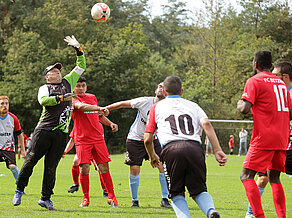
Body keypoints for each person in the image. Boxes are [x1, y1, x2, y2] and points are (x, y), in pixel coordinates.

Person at [12, 35, 85, 211]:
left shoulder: (68, 81)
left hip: (61, 134)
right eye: (53, 71)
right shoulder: (44, 88)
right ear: (47, 77)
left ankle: (45, 198)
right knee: (30, 161)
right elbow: (44, 101)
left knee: (51, 167)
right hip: (44, 130)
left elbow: (81, 66)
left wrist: (78, 49)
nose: (57, 72)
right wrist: (62, 97)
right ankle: (19, 190)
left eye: (58, 70)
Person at [144, 76, 227, 218]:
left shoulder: (156, 107)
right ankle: (211, 211)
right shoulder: (193, 105)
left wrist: (152, 156)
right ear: (182, 91)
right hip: (195, 148)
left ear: (164, 92)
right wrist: (218, 150)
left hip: (172, 150)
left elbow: (147, 139)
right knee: (199, 190)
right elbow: (206, 124)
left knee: (176, 193)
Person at [237, 51, 291, 218]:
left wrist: (240, 104)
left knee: (246, 175)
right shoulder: (282, 84)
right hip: (282, 137)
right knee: (274, 177)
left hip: (264, 137)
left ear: (255, 64)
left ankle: (258, 216)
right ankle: (282, 216)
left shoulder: (254, 80)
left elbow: (245, 109)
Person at [105, 82, 172, 208]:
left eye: (164, 87)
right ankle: (134, 201)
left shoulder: (169, 107)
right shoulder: (145, 101)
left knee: (162, 166)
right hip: (135, 139)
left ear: (168, 92)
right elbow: (122, 104)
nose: (161, 88)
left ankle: (165, 199)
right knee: (135, 168)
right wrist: (106, 108)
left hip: (153, 139)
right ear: (155, 90)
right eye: (159, 86)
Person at [71, 76, 119, 208]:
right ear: (74, 87)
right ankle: (86, 198)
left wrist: (110, 124)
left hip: (98, 138)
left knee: (104, 167)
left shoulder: (92, 97)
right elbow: (81, 107)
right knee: (84, 168)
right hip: (82, 139)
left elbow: (99, 116)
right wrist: (99, 108)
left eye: (83, 85)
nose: (81, 88)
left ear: (86, 86)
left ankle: (111, 197)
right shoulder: (72, 99)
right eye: (78, 86)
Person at [63, 128, 108, 197]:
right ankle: (75, 184)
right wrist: (65, 151)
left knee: (100, 168)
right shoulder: (78, 125)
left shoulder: (97, 126)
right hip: (84, 149)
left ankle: (105, 190)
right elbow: (72, 140)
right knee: (76, 161)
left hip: (94, 150)